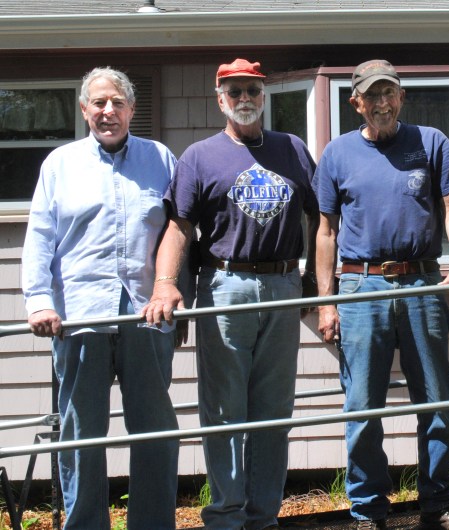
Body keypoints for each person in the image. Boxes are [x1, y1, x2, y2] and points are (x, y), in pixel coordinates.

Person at [143, 58, 319, 530]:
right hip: (225, 286)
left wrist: (318, 286)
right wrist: (166, 285)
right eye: (235, 91)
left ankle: (263, 516)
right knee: (223, 409)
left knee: (273, 409)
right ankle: (225, 516)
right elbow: (179, 227)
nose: (245, 98)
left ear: (264, 97)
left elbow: (322, 218)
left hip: (283, 285)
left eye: (253, 90)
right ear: (220, 99)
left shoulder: (294, 149)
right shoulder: (199, 157)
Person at [314, 59, 449, 530]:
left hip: (422, 282)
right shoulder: (337, 153)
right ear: (356, 103)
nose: (382, 103)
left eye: (390, 93)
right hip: (359, 286)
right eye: (372, 95)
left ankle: (439, 506)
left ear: (401, 96)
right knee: (362, 405)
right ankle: (368, 512)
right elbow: (325, 232)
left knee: (435, 399)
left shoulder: (430, 141)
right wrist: (327, 301)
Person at [21, 67, 181, 530]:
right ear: (84, 109)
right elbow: (40, 238)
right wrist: (38, 301)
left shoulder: (161, 159)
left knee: (154, 430)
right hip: (78, 318)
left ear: (132, 108)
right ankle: (86, 523)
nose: (107, 111)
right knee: (80, 436)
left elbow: (178, 230)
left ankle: (151, 524)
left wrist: (177, 295)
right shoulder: (60, 164)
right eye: (98, 103)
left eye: (117, 102)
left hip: (146, 318)